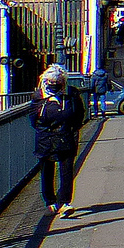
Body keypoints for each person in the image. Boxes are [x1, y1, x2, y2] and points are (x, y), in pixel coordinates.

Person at [31, 64, 87, 217]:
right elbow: (34, 120)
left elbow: (80, 114)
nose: (54, 85)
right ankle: (50, 202)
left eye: (57, 82)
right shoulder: (38, 97)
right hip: (46, 139)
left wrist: (70, 128)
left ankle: (64, 203)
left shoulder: (72, 95)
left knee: (67, 171)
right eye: (52, 82)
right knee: (47, 171)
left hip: (65, 137)